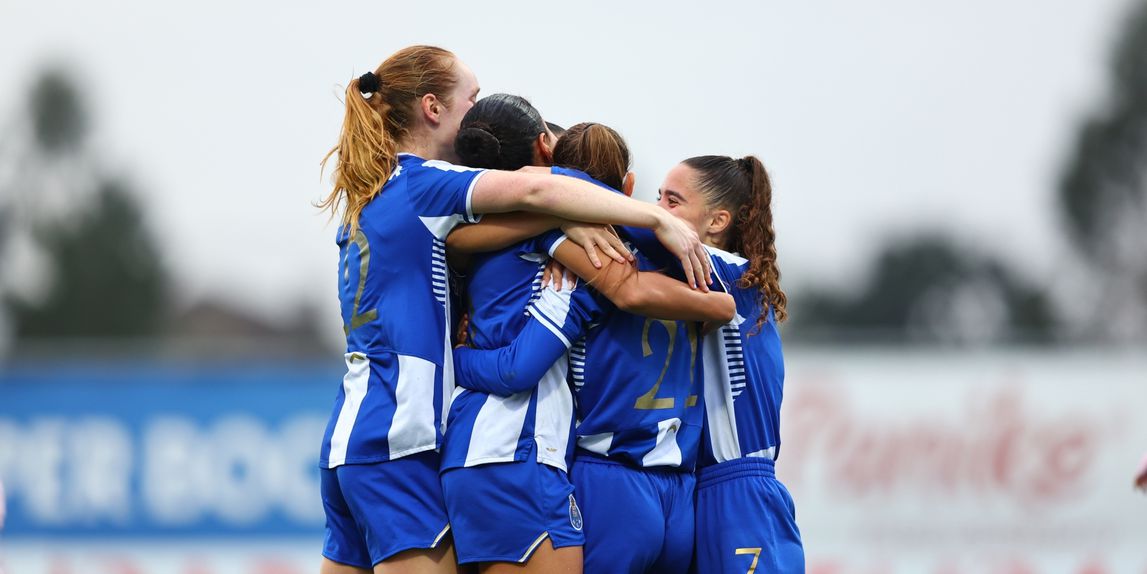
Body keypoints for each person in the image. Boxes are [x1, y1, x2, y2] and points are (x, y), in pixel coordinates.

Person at [315, 46, 710, 574]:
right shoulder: (421, 181)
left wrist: (553, 220)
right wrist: (654, 220)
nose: (477, 111)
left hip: (350, 437)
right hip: (399, 438)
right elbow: (536, 188)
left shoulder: (371, 198)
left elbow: (494, 225)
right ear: (433, 108)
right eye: (471, 98)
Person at [442, 100, 734, 573]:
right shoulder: (589, 261)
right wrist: (721, 304)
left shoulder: (508, 239)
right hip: (520, 452)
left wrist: (456, 359)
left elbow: (459, 240)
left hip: (504, 453)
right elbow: (625, 291)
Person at [655, 155, 804, 573]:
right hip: (705, 489)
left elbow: (634, 229)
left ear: (717, 222)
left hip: (740, 493)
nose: (659, 212)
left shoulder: (730, 274)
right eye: (657, 199)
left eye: (673, 201)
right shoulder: (715, 278)